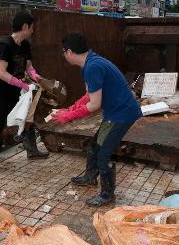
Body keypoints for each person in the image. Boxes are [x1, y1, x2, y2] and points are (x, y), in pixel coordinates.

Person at [52, 32, 142, 206]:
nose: (64, 56)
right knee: (95, 146)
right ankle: (90, 177)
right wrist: (70, 108)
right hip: (115, 112)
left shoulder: (92, 66)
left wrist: (68, 116)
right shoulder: (90, 63)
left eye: (63, 53)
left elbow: (94, 105)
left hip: (122, 114)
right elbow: (89, 95)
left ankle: (107, 194)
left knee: (103, 154)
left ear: (69, 52)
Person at [0, 11, 48, 177]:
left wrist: (37, 77)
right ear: (25, 27)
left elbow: (29, 67)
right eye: (32, 28)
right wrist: (21, 83)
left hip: (18, 91)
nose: (33, 31)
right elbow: (1, 73)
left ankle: (32, 150)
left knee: (28, 118)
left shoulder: (25, 45)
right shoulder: (4, 45)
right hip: (1, 92)